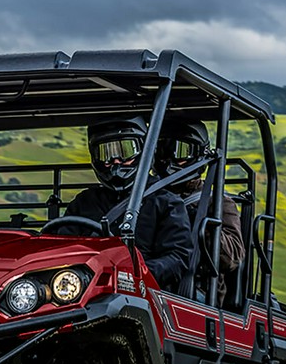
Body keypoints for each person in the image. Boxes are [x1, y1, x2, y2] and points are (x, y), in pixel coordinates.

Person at [62, 117, 193, 292]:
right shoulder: (84, 202)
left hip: (145, 293)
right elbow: (62, 246)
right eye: (106, 153)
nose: (116, 161)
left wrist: (137, 275)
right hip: (85, 289)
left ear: (143, 151)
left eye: (125, 151)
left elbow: (178, 257)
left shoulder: (166, 203)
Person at [153, 121, 245, 302]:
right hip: (150, 278)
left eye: (180, 152)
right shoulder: (145, 197)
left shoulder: (217, 202)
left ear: (199, 155)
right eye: (164, 151)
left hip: (195, 289)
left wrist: (201, 223)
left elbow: (233, 257)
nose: (169, 160)